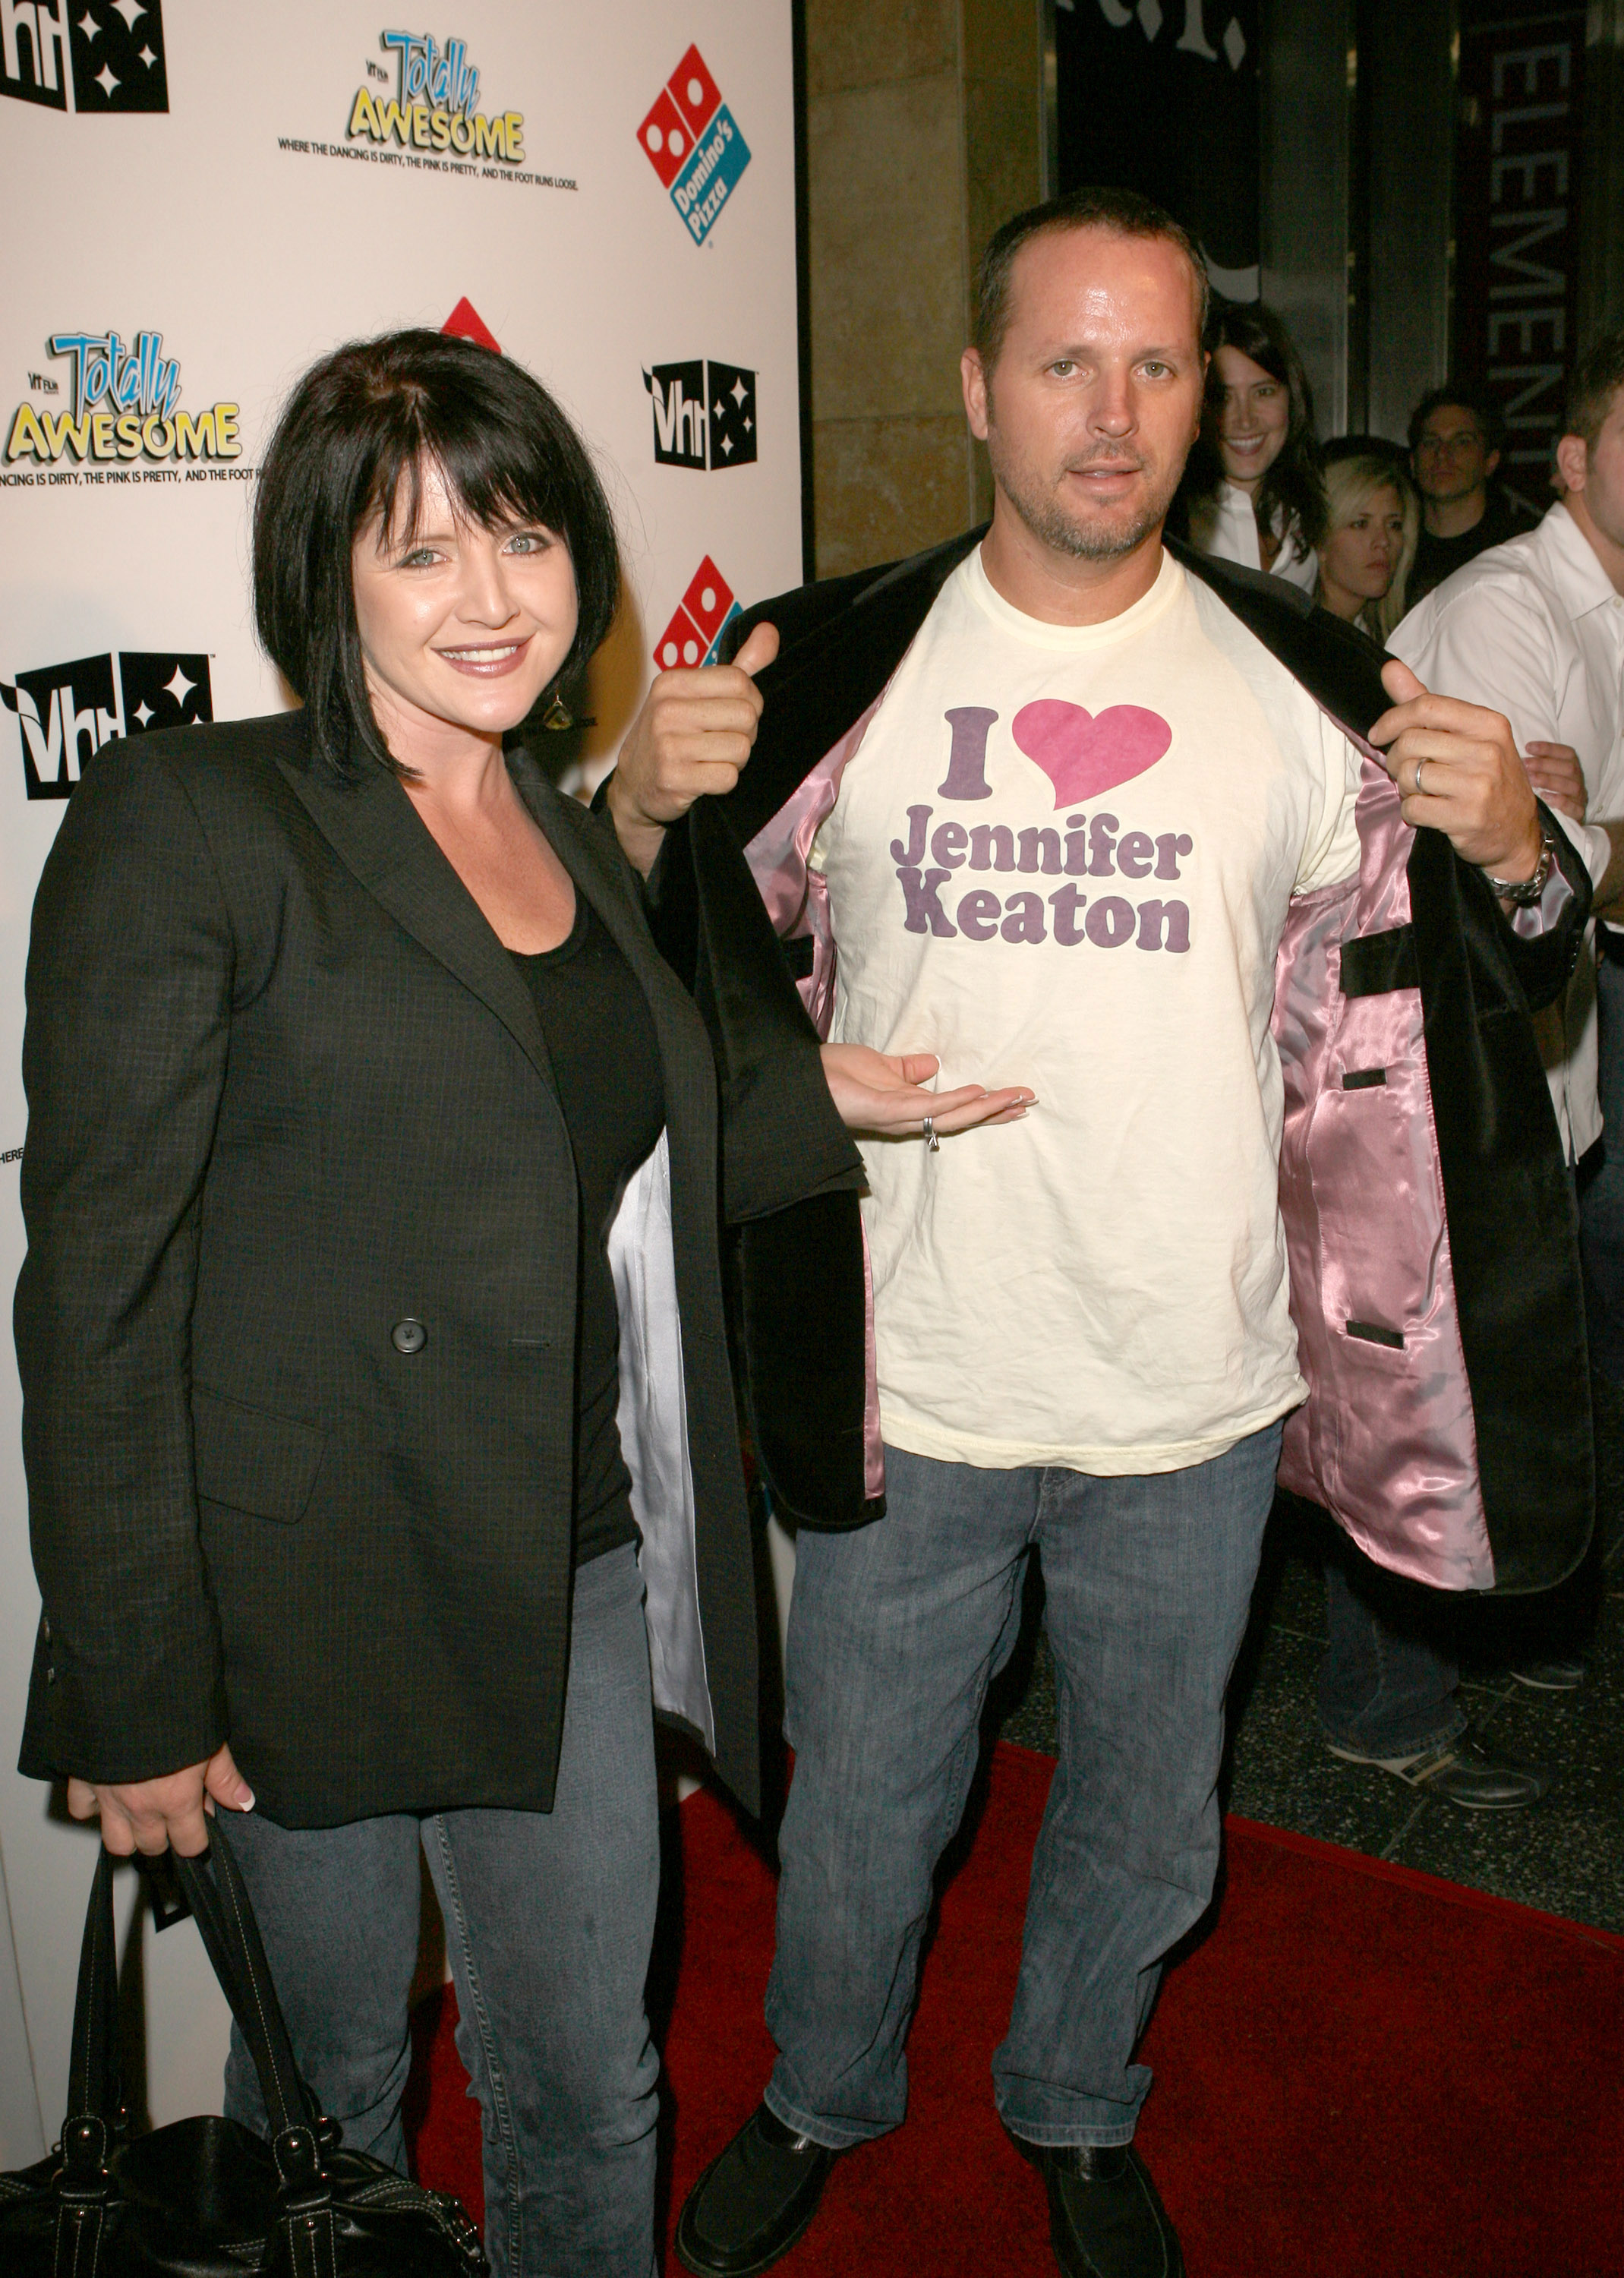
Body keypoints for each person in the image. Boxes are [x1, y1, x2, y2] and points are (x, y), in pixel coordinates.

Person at [604, 188, 1591, 2278]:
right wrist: (625, 808)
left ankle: (1070, 2100)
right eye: (1065, 358)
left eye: (1157, 362)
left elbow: (1489, 980)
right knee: (865, 1812)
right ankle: (821, 2089)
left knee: (1147, 1823)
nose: (1113, 408)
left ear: (1204, 391)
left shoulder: (1320, 684)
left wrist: (1525, 852)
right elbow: (655, 972)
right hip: (914, 1382)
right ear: (977, 389)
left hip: (1198, 1393)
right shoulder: (816, 671)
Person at [14, 326, 915, 2278]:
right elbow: (93, 1287)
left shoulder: (565, 826)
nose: (490, 595)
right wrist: (137, 1685)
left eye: (521, 534)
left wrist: (812, 1092)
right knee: (332, 2085)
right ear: (321, 578)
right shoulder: (195, 814)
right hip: (297, 1600)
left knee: (592, 2073)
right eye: (420, 550)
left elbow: (582, 1102)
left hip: (562, 1553)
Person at [1315, 333, 1624, 1774]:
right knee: (1414, 1404)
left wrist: (1587, 846)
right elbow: (1541, 864)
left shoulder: (1598, 609)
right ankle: (1386, 1713)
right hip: (1441, 1084)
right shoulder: (1509, 609)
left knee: (1484, 1385)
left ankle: (1473, 1648)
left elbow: (1575, 855)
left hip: (1538, 1063)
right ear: (1568, 462)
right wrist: (1584, 845)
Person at [1178, 301, 1326, 592]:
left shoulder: (1303, 522)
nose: (1244, 421)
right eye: (1223, 397)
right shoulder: (1168, 527)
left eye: (1263, 392)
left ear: (1291, 399)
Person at [1406, 381, 1542, 608]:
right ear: (1413, 462)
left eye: (1461, 442)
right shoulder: (1392, 547)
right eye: (1431, 442)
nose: (1442, 454)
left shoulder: (1522, 550)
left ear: (1491, 461)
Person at [1313, 448, 1419, 642]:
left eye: (1394, 525)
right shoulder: (1297, 637)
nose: (1384, 541)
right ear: (1321, 540)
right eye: (1360, 524)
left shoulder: (1382, 639)